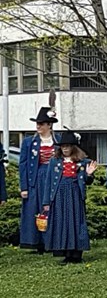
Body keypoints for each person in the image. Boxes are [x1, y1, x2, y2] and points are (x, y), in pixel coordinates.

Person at [44, 131, 98, 264]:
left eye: (68, 146)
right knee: (62, 222)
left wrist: (89, 174)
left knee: (75, 222)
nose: (65, 149)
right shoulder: (55, 162)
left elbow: (87, 181)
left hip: (75, 195)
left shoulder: (82, 162)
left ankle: (77, 254)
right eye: (63, 146)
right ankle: (66, 253)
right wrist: (46, 201)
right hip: (59, 195)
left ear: (74, 147)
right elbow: (48, 182)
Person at [19, 107, 59, 253]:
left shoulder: (58, 140)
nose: (38, 126)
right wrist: (24, 187)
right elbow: (23, 164)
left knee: (52, 209)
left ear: (49, 125)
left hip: (53, 177)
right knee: (35, 209)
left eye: (42, 123)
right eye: (37, 123)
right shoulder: (29, 142)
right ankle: (36, 242)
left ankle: (52, 241)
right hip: (35, 178)